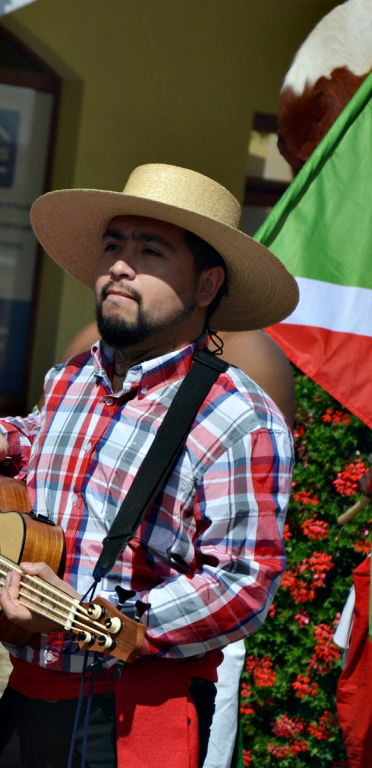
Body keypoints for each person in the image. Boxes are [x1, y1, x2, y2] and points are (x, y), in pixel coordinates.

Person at [0, 164, 297, 768]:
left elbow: (246, 582)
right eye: (113, 246)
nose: (120, 266)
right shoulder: (70, 378)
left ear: (207, 286)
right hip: (28, 698)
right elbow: (47, 437)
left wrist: (102, 617)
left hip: (138, 715)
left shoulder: (239, 416)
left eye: (150, 251)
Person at [57, 323, 296, 768]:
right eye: (113, 248)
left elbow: (244, 549)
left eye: (152, 251)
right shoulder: (84, 355)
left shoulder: (253, 357)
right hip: (49, 673)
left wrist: (116, 619)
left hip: (166, 671)